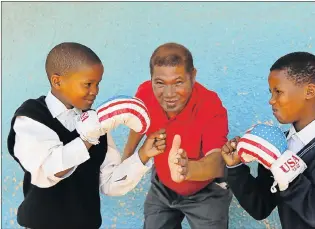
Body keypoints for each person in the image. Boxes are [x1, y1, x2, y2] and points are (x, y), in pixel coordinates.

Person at [7, 42, 167, 229]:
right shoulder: (30, 117)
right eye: (88, 84)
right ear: (57, 81)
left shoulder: (94, 121)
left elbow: (109, 184)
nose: (95, 91)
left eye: (98, 84)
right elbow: (50, 170)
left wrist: (143, 155)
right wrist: (88, 138)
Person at [220, 52, 315, 229]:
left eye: (278, 92)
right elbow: (260, 207)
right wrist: (235, 169)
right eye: (271, 92)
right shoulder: (278, 144)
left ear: (309, 91)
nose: (271, 100)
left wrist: (283, 166)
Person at [123, 42, 233, 229]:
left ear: (193, 76)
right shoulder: (145, 93)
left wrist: (186, 169)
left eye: (178, 82)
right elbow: (138, 121)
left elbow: (217, 162)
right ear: (151, 79)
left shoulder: (210, 105)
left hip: (205, 190)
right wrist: (127, 156)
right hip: (162, 186)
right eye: (160, 83)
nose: (169, 94)